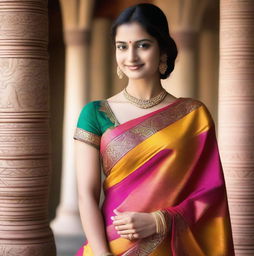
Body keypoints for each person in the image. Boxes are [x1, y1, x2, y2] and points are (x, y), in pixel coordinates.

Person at [73, 3, 234, 256]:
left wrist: (160, 220)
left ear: (162, 51)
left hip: (170, 245)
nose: (131, 56)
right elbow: (86, 195)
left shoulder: (194, 115)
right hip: (110, 246)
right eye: (122, 46)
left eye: (143, 45)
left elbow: (211, 194)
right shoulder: (95, 113)